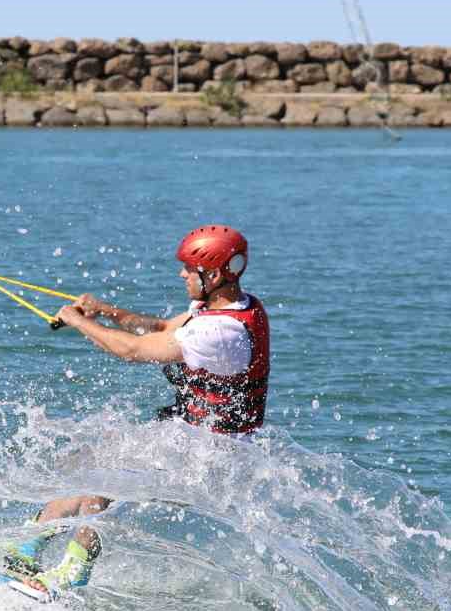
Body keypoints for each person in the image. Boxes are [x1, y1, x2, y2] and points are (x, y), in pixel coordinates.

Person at [31, 225, 272, 582]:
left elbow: (132, 350)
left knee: (108, 474)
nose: (182, 274)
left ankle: (72, 570)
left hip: (215, 457)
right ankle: (29, 545)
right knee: (95, 460)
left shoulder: (220, 332)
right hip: (195, 439)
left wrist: (77, 321)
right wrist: (104, 311)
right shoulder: (230, 306)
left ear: (216, 275)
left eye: (190, 269)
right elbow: (160, 328)